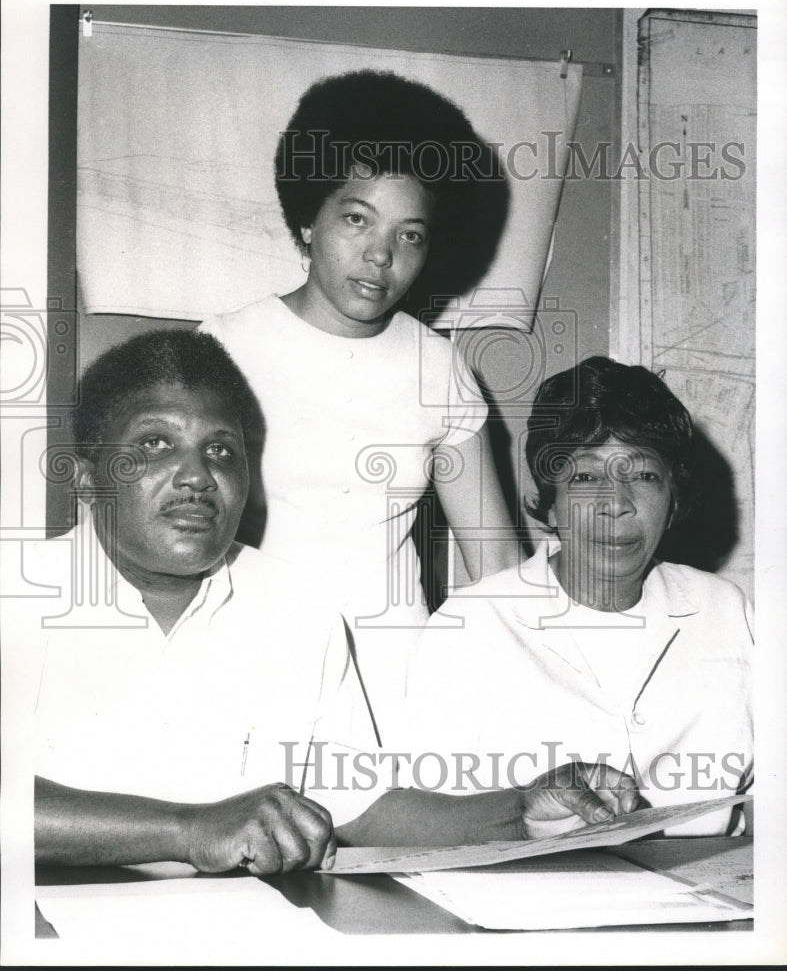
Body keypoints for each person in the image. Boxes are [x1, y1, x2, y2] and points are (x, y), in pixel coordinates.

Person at [15, 332, 640, 874]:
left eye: (222, 450)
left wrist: (520, 809)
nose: (198, 476)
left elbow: (363, 807)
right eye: (155, 444)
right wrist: (188, 829)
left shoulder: (298, 611)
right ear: (85, 473)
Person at [199, 70, 521, 738]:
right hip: (250, 671)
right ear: (307, 218)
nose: (379, 256)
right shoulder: (224, 349)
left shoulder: (438, 366)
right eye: (355, 218)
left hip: (397, 689)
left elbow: (497, 568)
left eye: (410, 235)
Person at [405, 357, 753, 836]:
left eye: (645, 476)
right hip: (529, 896)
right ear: (551, 498)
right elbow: (416, 820)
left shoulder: (726, 609)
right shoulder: (470, 624)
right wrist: (519, 808)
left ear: (675, 498)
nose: (616, 503)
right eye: (586, 477)